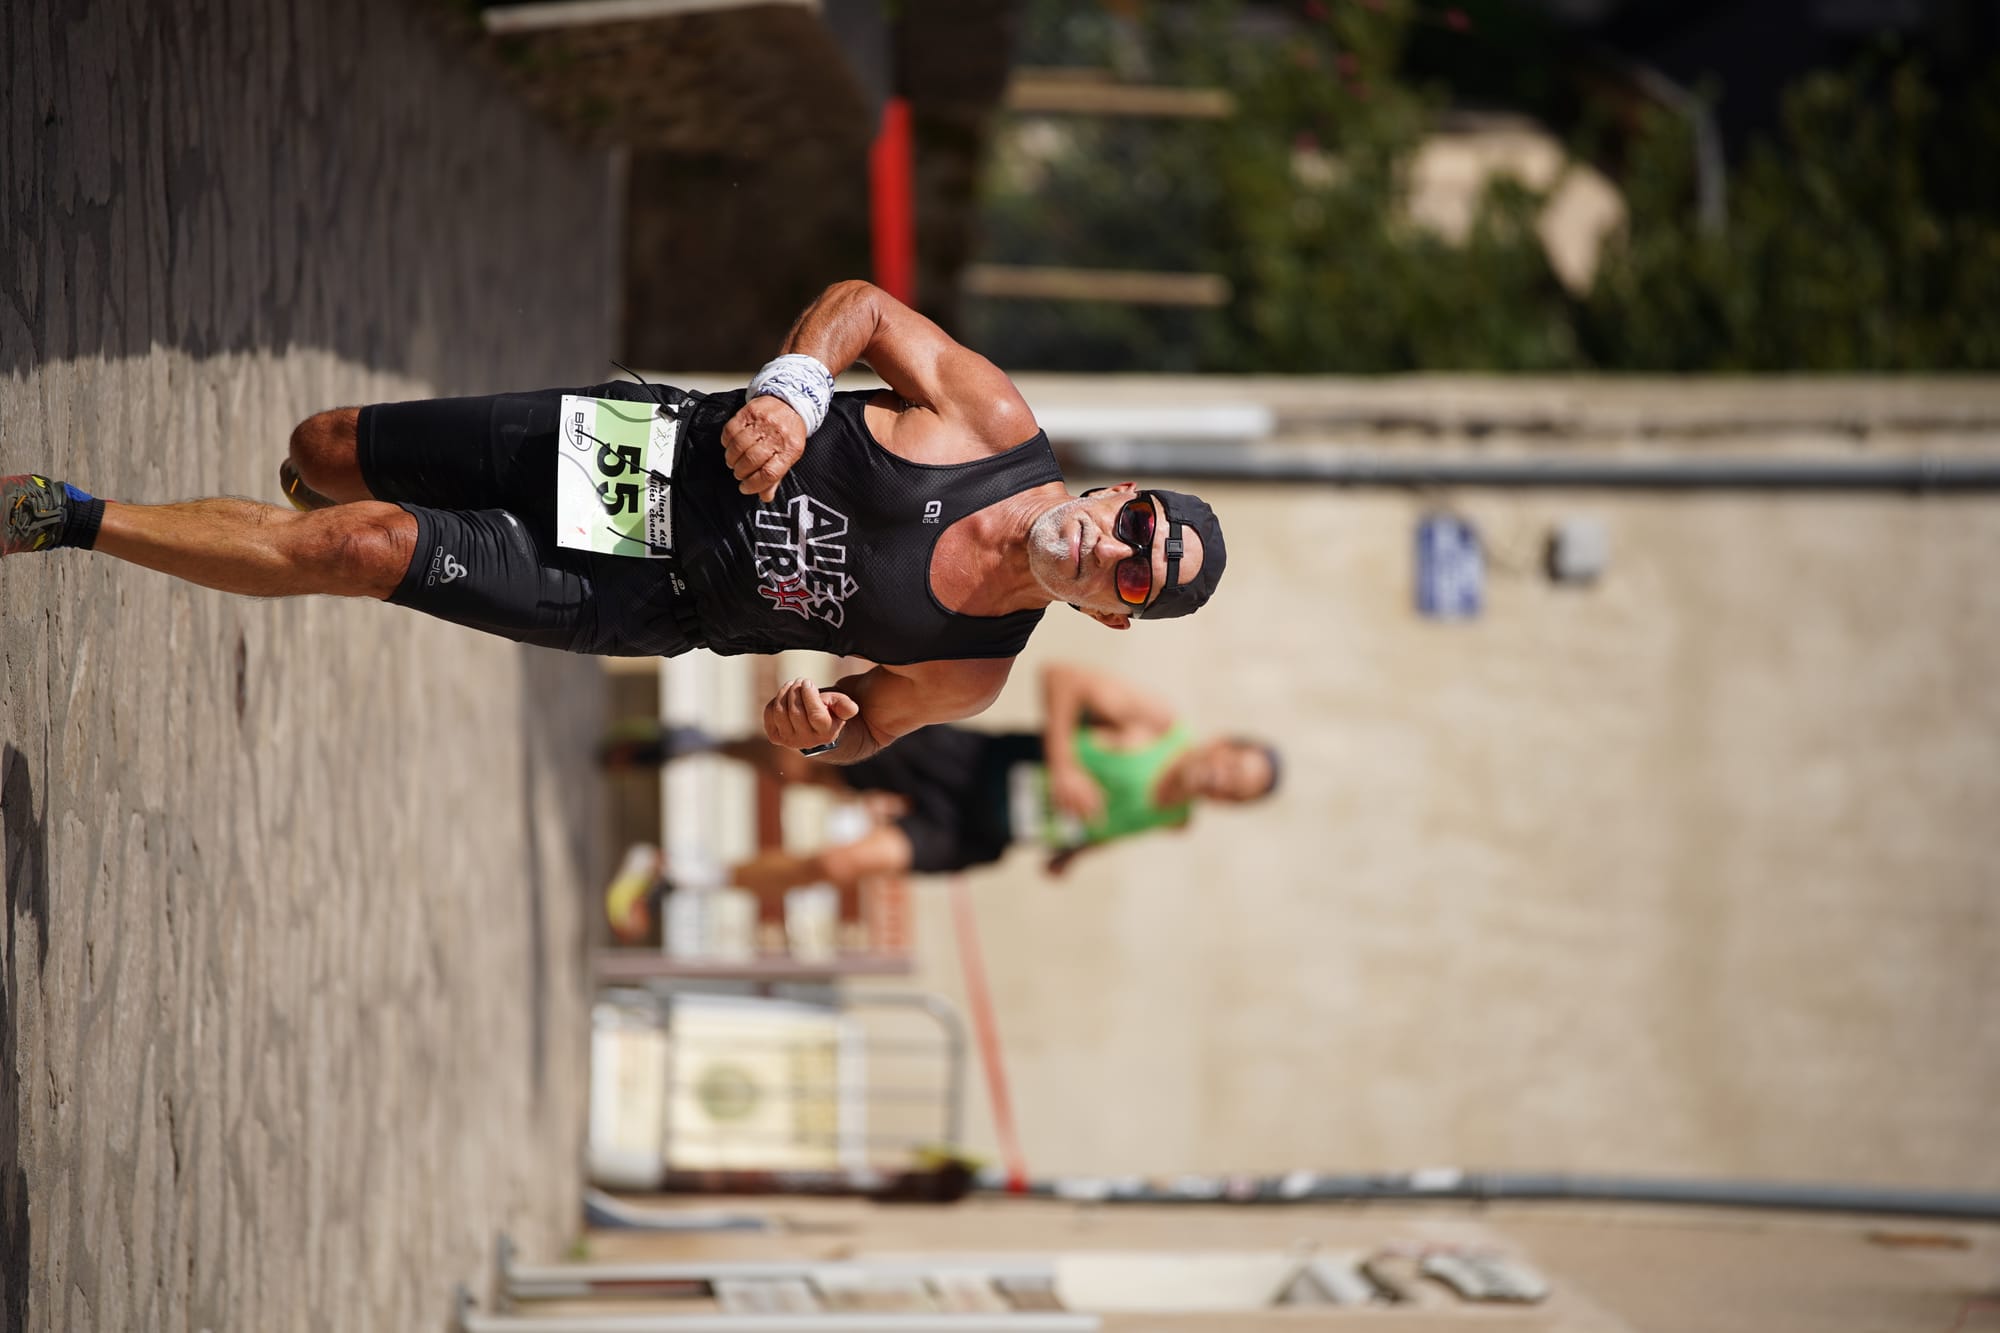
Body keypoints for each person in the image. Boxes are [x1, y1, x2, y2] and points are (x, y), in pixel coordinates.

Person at [1, 281, 1227, 759]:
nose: (1118, 549)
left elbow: (863, 729)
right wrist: (794, 396)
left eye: (1136, 578)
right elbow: (858, 308)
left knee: (362, 547)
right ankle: (291, 498)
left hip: (645, 599)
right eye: (1140, 524)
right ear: (1119, 492)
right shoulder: (991, 418)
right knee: (326, 452)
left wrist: (820, 724)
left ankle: (70, 518)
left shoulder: (969, 671)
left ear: (1113, 619)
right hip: (650, 456)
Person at [602, 661, 1281, 941]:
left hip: (977, 834)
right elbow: (1062, 676)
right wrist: (1066, 761)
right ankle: (699, 744)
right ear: (1219, 745)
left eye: (1233, 791)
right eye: (1229, 767)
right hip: (963, 763)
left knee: (840, 868)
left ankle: (679, 875)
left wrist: (1073, 853)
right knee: (801, 764)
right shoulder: (1155, 727)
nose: (1219, 782)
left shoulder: (1176, 818)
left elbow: (1109, 822)